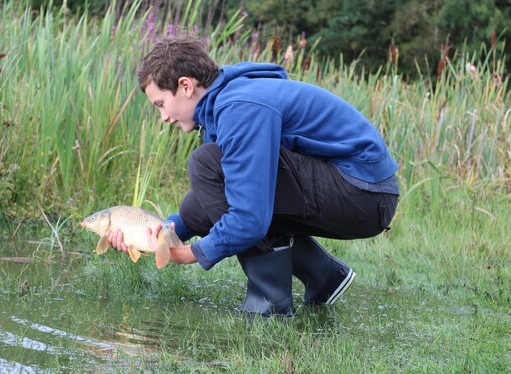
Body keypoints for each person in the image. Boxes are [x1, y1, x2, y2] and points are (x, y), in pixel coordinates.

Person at [108, 36, 399, 316]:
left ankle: (270, 306)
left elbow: (249, 217)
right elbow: (211, 202)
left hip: (364, 194)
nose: (163, 117)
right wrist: (164, 232)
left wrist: (189, 253)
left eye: (160, 104)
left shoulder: (240, 107)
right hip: (359, 193)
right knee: (211, 188)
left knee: (207, 164)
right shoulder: (227, 103)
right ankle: (323, 276)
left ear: (185, 85)